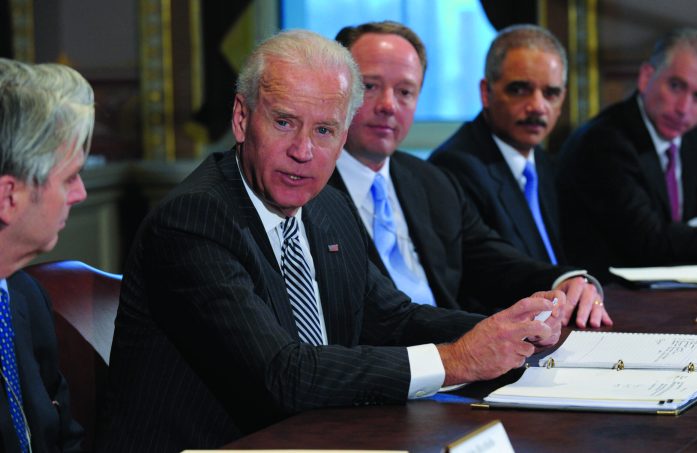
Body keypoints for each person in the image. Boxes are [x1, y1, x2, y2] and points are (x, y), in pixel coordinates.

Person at [99, 30, 564, 452]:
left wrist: (504, 334)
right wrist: (457, 360)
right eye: (284, 122)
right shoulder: (194, 220)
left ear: (343, 137)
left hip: (322, 437)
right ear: (242, 120)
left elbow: (393, 319)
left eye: (323, 130)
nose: (303, 151)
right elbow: (284, 374)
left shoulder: (328, 207)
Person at [332, 21, 610, 327]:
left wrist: (564, 281)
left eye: (405, 91)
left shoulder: (430, 182)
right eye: (370, 86)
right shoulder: (309, 190)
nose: (388, 105)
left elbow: (494, 261)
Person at [556, 28, 697, 279]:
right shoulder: (603, 141)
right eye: (676, 86)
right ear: (646, 77)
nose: (683, 109)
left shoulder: (691, 140)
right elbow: (647, 242)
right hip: (608, 297)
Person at [0, 58, 91, 452]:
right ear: (8, 197)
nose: (81, 193)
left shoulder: (25, 298)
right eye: (69, 177)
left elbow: (62, 439)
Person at [430, 24, 568, 267]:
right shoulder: (454, 167)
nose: (537, 106)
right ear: (486, 92)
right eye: (519, 90)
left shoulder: (545, 164)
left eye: (550, 93)